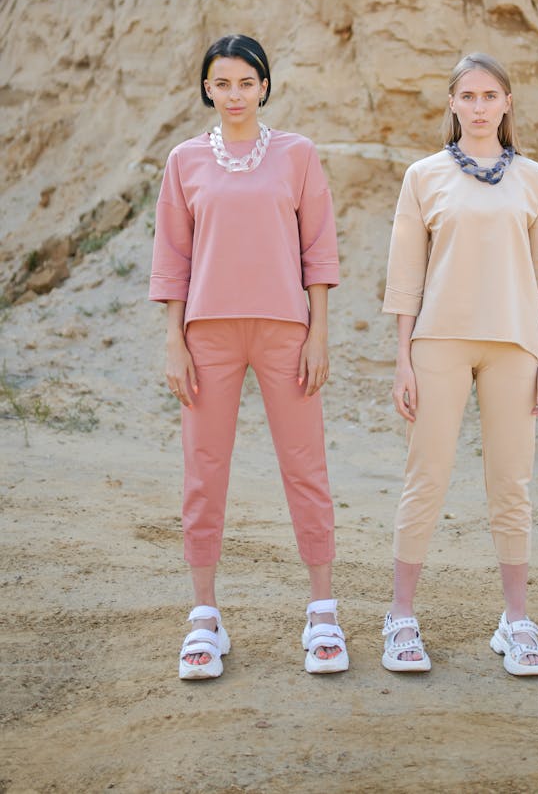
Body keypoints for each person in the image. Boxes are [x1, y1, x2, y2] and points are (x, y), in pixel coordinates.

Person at [149, 33, 348, 679]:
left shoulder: (297, 155)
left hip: (286, 330)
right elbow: (172, 261)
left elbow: (317, 249)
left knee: (305, 466)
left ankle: (322, 608)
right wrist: (175, 341)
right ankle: (204, 616)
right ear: (207, 87)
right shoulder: (184, 161)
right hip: (208, 334)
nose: (234, 94)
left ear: (264, 85)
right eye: (222, 82)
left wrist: (318, 331)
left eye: (246, 82)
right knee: (203, 471)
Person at [381, 52, 538, 676]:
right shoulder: (424, 176)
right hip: (438, 342)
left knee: (511, 485)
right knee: (426, 477)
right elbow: (406, 275)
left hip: (515, 345)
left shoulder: (535, 179)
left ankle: (515, 621)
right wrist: (403, 359)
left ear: (507, 103)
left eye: (492, 95)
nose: (481, 106)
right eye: (470, 95)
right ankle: (401, 618)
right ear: (453, 103)